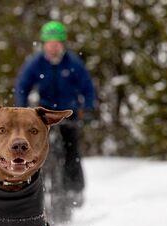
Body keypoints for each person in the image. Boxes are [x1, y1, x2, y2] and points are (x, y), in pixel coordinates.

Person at [15, 20, 96, 206]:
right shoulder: (36, 63)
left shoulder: (73, 63)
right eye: (49, 44)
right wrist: (21, 108)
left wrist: (89, 108)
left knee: (71, 151)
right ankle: (33, 190)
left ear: (62, 44)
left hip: (69, 114)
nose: (53, 47)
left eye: (57, 43)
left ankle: (75, 190)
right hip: (46, 114)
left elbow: (88, 88)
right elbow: (22, 86)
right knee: (37, 151)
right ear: (44, 44)